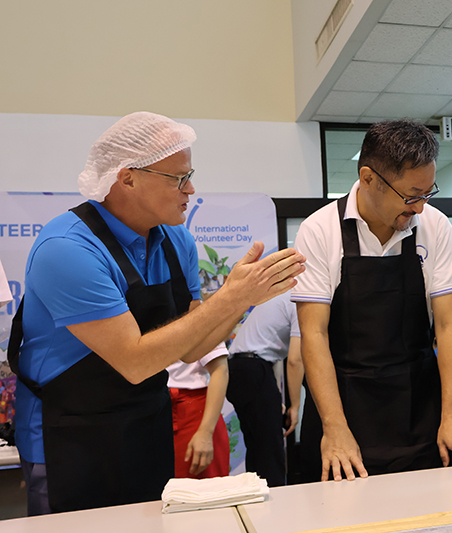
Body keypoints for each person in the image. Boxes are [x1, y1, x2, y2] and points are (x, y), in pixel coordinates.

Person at [9, 111, 305, 514]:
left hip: (146, 423)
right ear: (127, 177)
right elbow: (133, 360)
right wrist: (231, 297)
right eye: (178, 178)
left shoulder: (175, 239)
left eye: (190, 174)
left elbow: (191, 348)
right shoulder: (67, 248)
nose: (191, 188)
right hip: (66, 436)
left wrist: (243, 300)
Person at [292, 119, 452, 482]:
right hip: (344, 404)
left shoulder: (434, 225)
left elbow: (448, 325)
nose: (419, 208)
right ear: (368, 178)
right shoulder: (320, 230)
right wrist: (334, 428)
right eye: (411, 195)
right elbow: (314, 334)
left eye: (427, 194)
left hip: (418, 405)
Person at [226, 291, 303, 487]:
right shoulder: (300, 300)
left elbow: (273, 357)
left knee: (258, 448)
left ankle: (256, 502)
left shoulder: (282, 297)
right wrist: (295, 406)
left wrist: (277, 398)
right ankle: (275, 510)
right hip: (253, 370)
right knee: (270, 452)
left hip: (239, 369)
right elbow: (295, 360)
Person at [167, 343, 230, 479]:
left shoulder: (198, 321)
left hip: (193, 413)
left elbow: (220, 370)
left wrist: (205, 432)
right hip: (149, 408)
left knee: (202, 488)